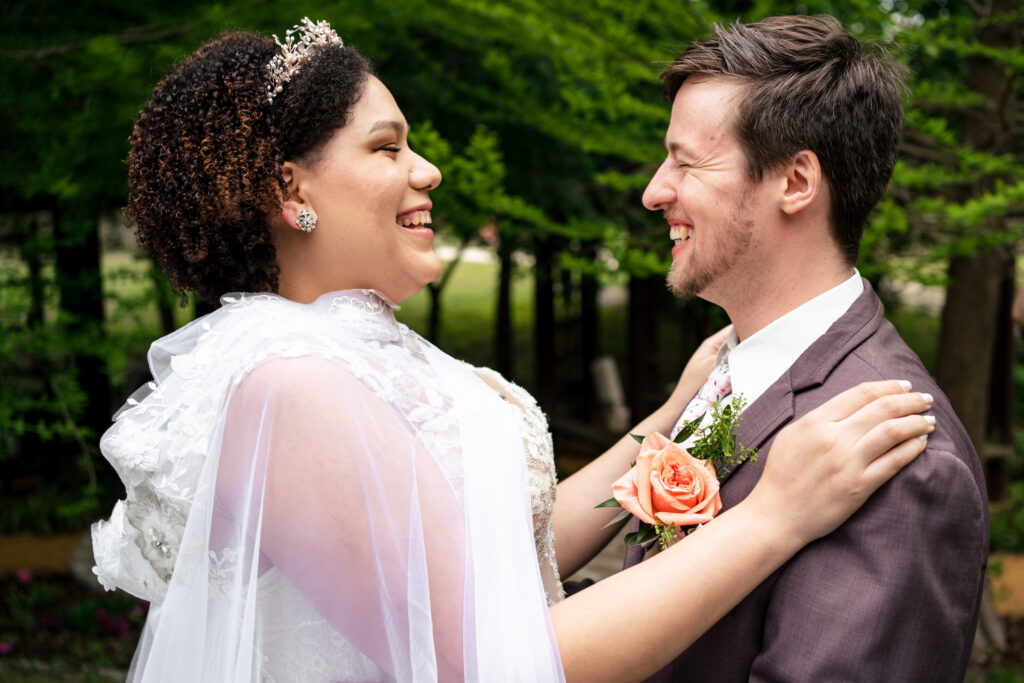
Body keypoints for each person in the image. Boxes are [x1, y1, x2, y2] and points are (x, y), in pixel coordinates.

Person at [91, 18, 934, 682]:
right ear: (290, 191)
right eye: (387, 148)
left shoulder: (352, 347)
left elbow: (490, 556)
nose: (428, 173)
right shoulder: (288, 383)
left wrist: (669, 419)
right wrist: (775, 515)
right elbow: (494, 657)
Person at [624, 15, 988, 682]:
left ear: (795, 183)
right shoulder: (723, 369)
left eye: (686, 161)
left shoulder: (901, 463)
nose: (655, 191)